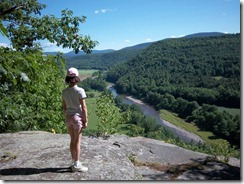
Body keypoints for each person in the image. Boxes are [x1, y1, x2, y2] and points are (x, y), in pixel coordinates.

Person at [62, 67, 88, 172]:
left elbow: (64, 107)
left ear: (67, 78)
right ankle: (77, 164)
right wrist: (85, 120)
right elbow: (84, 107)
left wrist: (67, 116)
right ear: (76, 77)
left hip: (68, 117)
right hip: (77, 118)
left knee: (72, 140)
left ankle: (73, 162)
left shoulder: (64, 92)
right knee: (77, 141)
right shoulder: (80, 91)